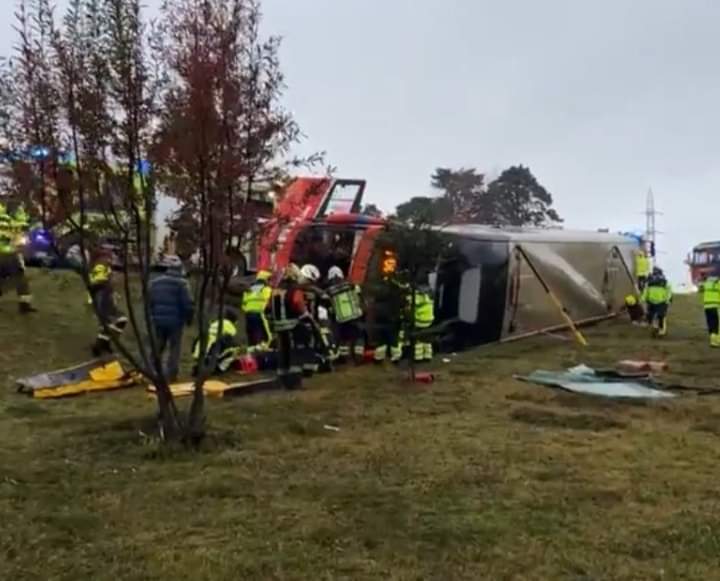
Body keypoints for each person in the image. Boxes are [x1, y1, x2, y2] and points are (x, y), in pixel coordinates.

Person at [149, 255, 194, 381]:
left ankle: (152, 369)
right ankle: (171, 374)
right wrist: (189, 319)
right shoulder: (182, 284)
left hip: (158, 320)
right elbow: (188, 304)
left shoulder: (155, 283)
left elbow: (150, 301)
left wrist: (152, 315)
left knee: (158, 345)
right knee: (174, 348)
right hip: (175, 321)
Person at [271, 263, 314, 389]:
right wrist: (306, 315)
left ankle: (282, 380)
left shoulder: (275, 291)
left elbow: (268, 307)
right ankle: (295, 382)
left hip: (278, 328)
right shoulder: (295, 290)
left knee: (283, 353)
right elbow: (298, 304)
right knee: (295, 353)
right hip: (292, 326)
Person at [88, 248, 128, 356]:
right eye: (109, 256)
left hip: (104, 297)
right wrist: (108, 285)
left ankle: (104, 344)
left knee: (113, 322)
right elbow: (96, 282)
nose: (111, 259)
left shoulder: (103, 266)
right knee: (112, 322)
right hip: (102, 297)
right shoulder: (101, 265)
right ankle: (99, 346)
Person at [0, 201, 35, 313]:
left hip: (12, 251)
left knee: (20, 278)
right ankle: (24, 304)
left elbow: (22, 227)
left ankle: (25, 304)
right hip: (4, 251)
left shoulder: (18, 211)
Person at [326, 265, 365, 363]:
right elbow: (359, 296)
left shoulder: (329, 291)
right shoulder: (351, 285)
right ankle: (358, 357)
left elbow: (329, 306)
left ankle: (345, 359)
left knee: (344, 338)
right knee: (359, 336)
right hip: (355, 315)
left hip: (341, 318)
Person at [300, 263, 334, 371]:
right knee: (314, 342)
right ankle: (319, 363)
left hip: (296, 321)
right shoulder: (316, 291)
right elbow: (327, 300)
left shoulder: (294, 288)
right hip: (311, 321)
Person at [192, 310, 240, 375]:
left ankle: (202, 365)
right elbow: (229, 340)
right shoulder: (231, 326)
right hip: (211, 351)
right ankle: (220, 368)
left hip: (198, 350)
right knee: (236, 348)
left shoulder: (216, 322)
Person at [241, 270, 273, 353]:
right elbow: (268, 301)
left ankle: (252, 351)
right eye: (270, 279)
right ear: (266, 279)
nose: (271, 282)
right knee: (265, 335)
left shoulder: (250, 289)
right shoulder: (266, 289)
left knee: (252, 334)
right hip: (259, 313)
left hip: (248, 314)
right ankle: (263, 352)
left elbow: (243, 303)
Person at [641, 267, 672, 337]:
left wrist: (667, 300)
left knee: (660, 316)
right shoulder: (651, 282)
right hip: (655, 301)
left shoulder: (663, 282)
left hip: (659, 301)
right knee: (654, 316)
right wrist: (643, 298)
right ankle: (657, 328)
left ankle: (660, 330)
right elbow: (646, 290)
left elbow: (669, 291)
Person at [409, 284, 435, 362]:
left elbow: (412, 302)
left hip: (419, 322)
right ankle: (428, 356)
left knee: (418, 340)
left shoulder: (419, 299)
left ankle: (418, 357)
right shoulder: (430, 298)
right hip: (429, 322)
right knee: (427, 340)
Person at [698, 273, 720, 347]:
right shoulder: (718, 283)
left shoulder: (706, 283)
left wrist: (701, 280)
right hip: (716, 306)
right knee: (717, 324)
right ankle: (717, 341)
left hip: (707, 307)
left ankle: (712, 340)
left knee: (710, 323)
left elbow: (700, 289)